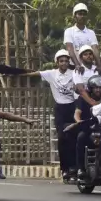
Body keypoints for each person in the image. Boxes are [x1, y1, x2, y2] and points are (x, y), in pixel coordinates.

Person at [23, 50, 79, 181]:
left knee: (75, 137)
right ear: (57, 62)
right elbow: (35, 74)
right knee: (62, 138)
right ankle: (65, 169)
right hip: (60, 109)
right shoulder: (51, 74)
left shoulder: (74, 73)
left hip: (73, 107)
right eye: (61, 61)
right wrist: (18, 73)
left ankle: (75, 167)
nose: (64, 63)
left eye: (66, 61)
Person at [68, 75, 101, 179]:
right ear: (91, 88)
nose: (98, 90)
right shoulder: (82, 99)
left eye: (100, 88)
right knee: (81, 138)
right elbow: (77, 113)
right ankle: (80, 168)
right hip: (88, 127)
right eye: (96, 88)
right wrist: (78, 121)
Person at [64, 3, 101, 74]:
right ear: (74, 16)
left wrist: (99, 64)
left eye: (84, 14)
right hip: (74, 67)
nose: (82, 16)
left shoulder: (91, 32)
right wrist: (77, 65)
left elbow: (95, 49)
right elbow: (70, 49)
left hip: (89, 66)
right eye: (80, 14)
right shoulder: (69, 31)